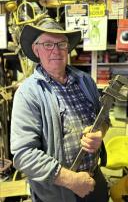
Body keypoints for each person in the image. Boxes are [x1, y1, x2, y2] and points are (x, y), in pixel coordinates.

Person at [10, 18, 110, 202]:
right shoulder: (28, 93)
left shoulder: (85, 81)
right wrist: (71, 180)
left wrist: (99, 134)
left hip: (95, 180)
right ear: (36, 50)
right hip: (57, 193)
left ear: (67, 48)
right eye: (48, 44)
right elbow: (24, 154)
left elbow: (104, 119)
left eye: (61, 44)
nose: (56, 50)